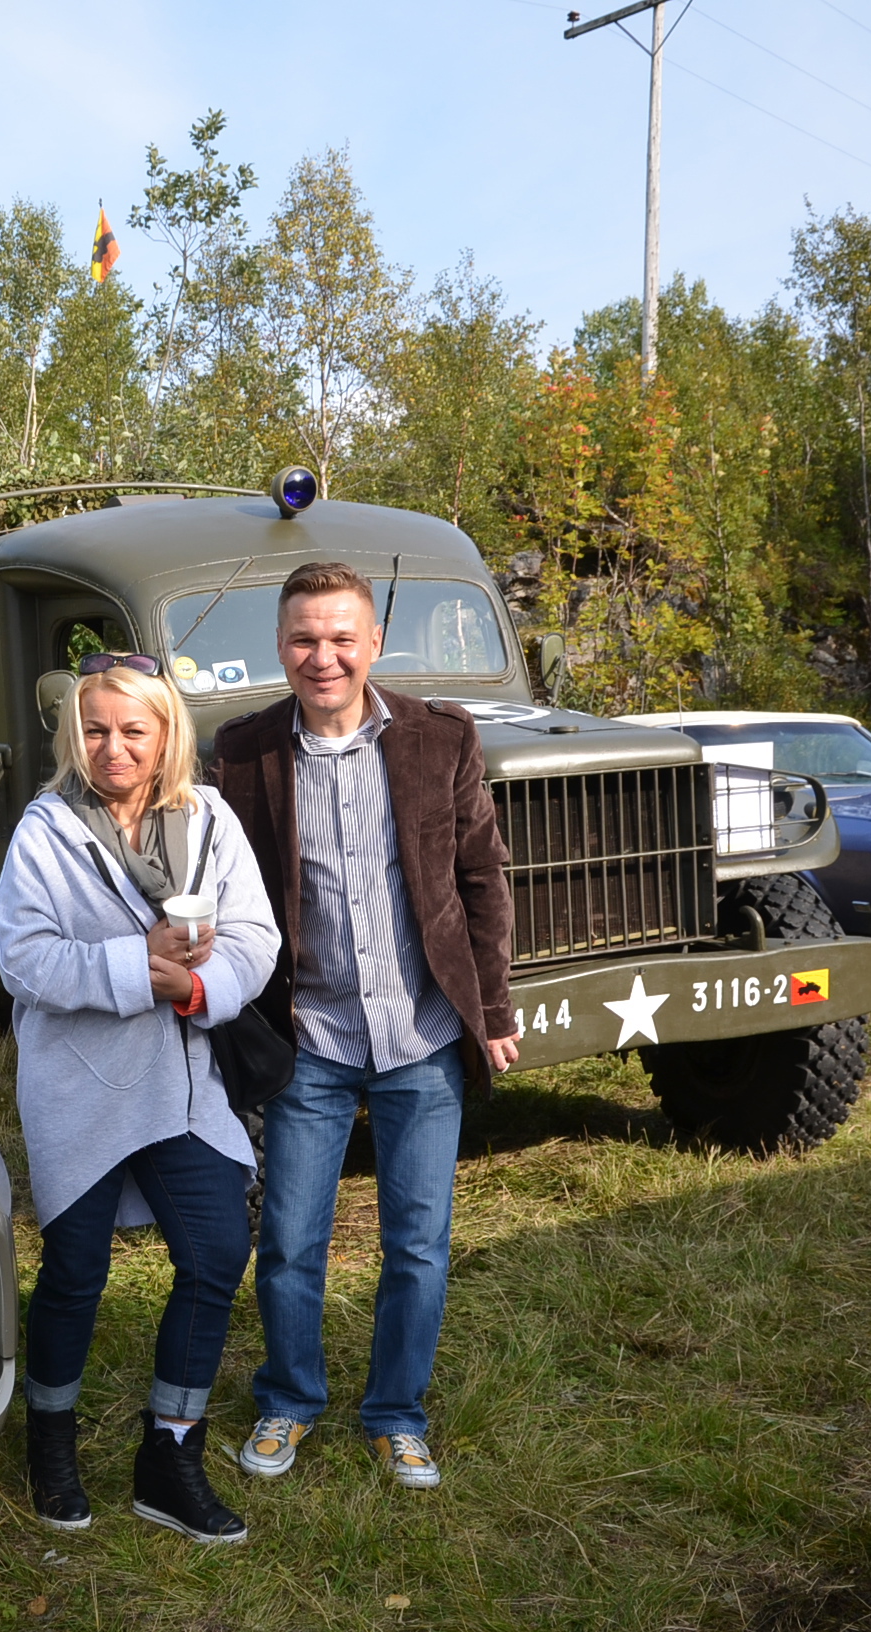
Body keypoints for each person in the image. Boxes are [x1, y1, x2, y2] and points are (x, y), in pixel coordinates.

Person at [209, 561, 522, 1491]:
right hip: (308, 1039)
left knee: (417, 1245)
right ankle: (289, 1399)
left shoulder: (440, 737)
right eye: (305, 638)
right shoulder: (244, 753)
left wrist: (492, 1008)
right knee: (289, 1243)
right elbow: (220, 888)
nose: (325, 657)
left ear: (374, 643)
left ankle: (396, 1414)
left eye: (342, 638)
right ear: (280, 646)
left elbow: (481, 879)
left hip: (421, 1036)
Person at [0, 653, 281, 1542]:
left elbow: (256, 936)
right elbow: (23, 960)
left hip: (181, 1088)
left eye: (132, 730)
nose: (112, 747)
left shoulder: (209, 819)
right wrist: (137, 968)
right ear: (72, 736)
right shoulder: (46, 830)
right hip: (78, 1085)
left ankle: (170, 1455)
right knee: (75, 1271)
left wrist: (195, 989)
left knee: (216, 1252)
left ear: (165, 736)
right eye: (94, 729)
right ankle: (51, 1440)